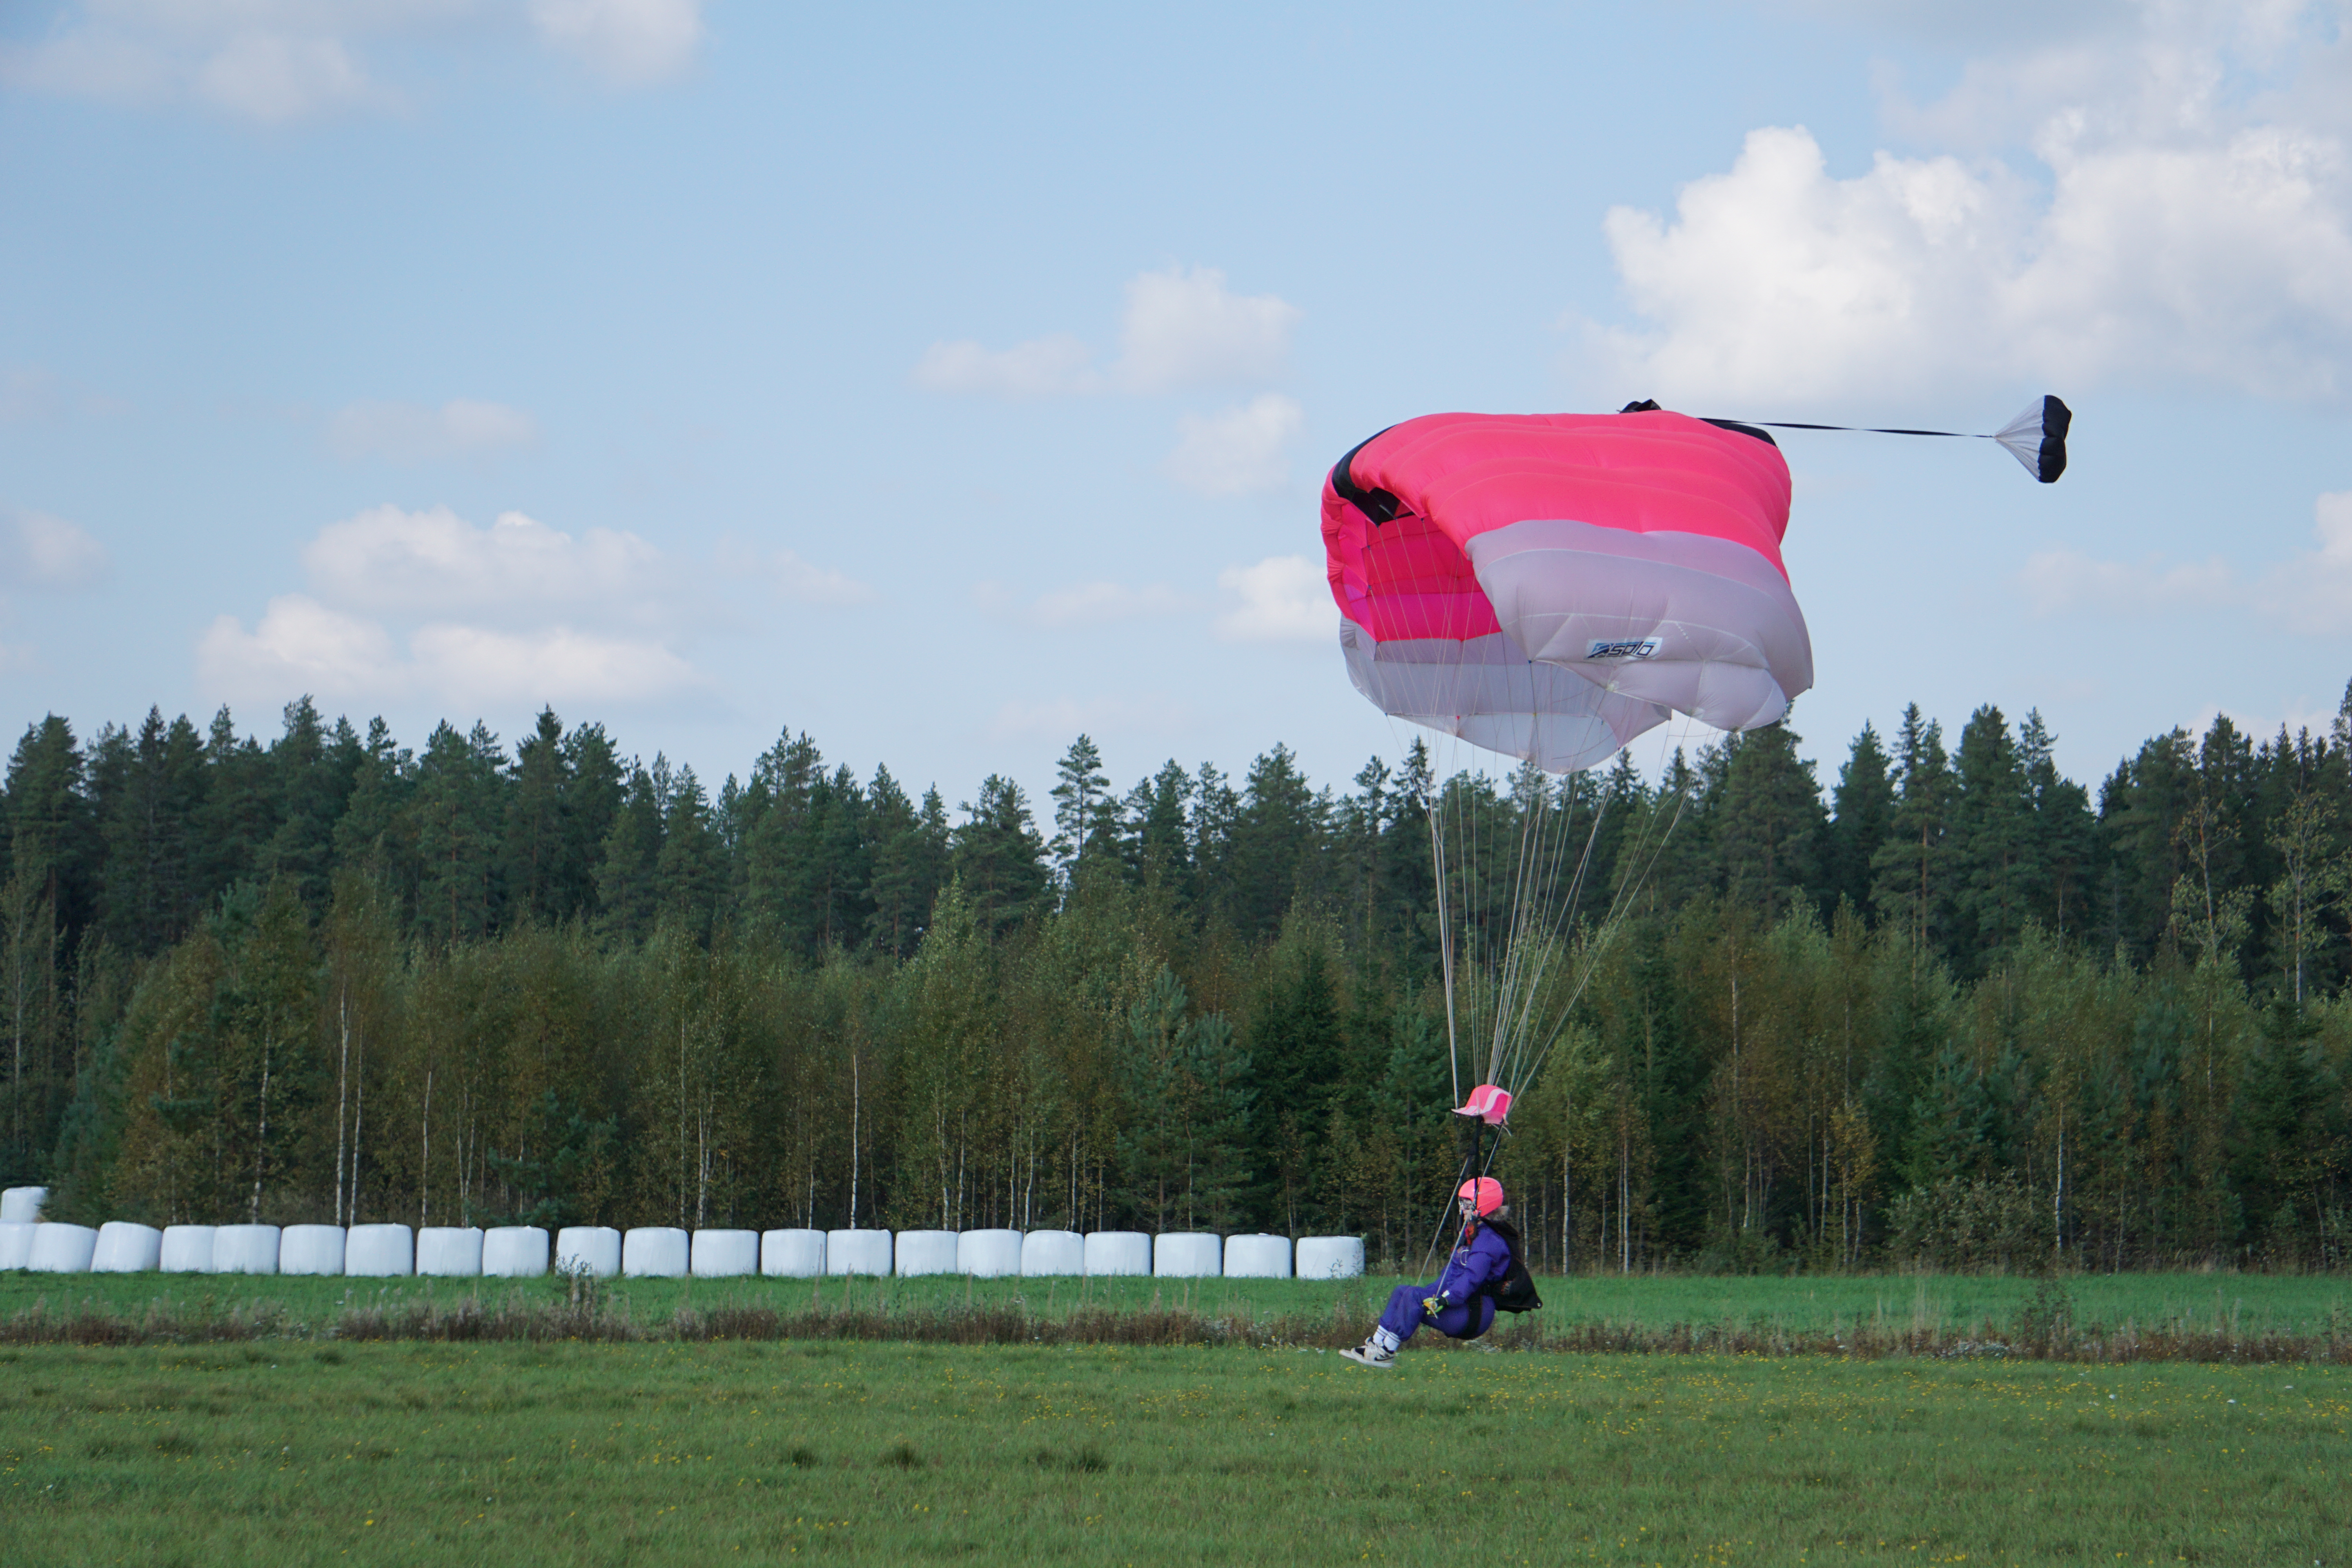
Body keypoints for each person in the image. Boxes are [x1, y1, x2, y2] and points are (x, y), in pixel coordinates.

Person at [1340, 1176, 1516, 1369]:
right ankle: (1374, 1345)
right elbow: (1450, 1276)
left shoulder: (1488, 1243)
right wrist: (1434, 1294)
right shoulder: (1474, 1235)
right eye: (1461, 1202)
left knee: (1413, 1297)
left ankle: (1386, 1353)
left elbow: (1471, 1280)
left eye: (1467, 1203)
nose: (1462, 1208)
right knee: (1402, 1291)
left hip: (1472, 1314)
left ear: (1482, 1206)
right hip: (1459, 1304)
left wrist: (1444, 1300)